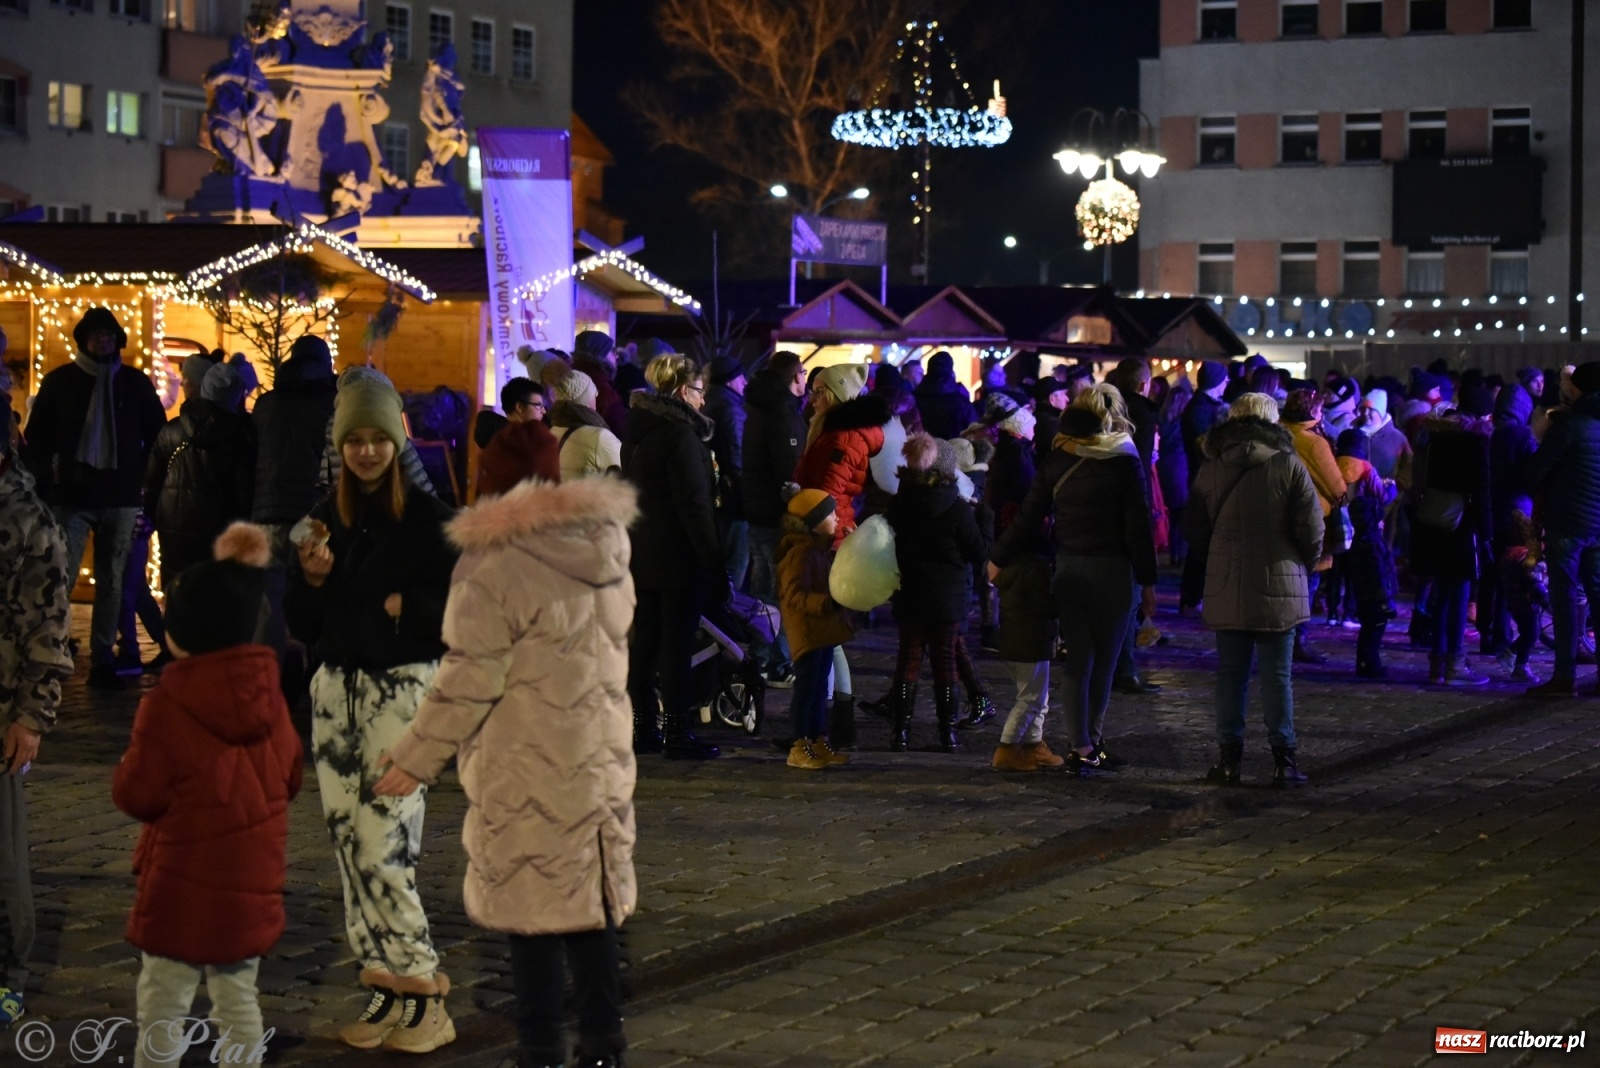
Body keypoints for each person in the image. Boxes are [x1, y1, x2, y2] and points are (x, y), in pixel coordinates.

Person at [374, 476, 640, 1068]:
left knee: (532, 913)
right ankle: (604, 1046)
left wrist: (416, 757)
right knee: (591, 909)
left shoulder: (495, 562)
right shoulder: (607, 549)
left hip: (527, 765)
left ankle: (541, 1049)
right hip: (597, 762)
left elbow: (469, 678)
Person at [285, 371, 460, 1052]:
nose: (364, 451)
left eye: (376, 438)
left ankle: (425, 990)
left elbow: (462, 613)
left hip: (401, 690)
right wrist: (314, 578)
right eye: (353, 439)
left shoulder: (430, 520)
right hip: (335, 691)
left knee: (386, 843)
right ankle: (384, 985)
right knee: (347, 843)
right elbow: (302, 620)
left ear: (397, 439)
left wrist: (408, 609)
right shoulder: (324, 517)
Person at [112, 523, 301, 1068]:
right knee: (238, 999)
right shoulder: (270, 699)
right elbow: (289, 780)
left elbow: (138, 792)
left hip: (182, 883)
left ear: (181, 632)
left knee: (164, 998)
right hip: (251, 881)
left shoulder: (169, 704)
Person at [989, 384, 1157, 775]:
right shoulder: (1124, 460)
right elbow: (1138, 528)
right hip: (1113, 571)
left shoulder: (1057, 459)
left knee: (1078, 662)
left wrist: (997, 557)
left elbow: (1029, 517)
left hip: (1068, 568)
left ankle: (1080, 744)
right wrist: (1148, 582)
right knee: (1105, 662)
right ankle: (1090, 744)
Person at [23, 307, 167, 690]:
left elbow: (158, 436)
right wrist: (49, 486)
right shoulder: (60, 383)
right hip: (73, 497)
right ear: (83, 339)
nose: (102, 341)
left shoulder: (135, 384)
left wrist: (146, 483)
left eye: (108, 335)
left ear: (118, 339)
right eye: (95, 335)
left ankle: (103, 655)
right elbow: (37, 440)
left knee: (113, 580)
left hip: (121, 496)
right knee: (61, 578)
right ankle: (51, 649)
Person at [1187, 393, 1322, 788]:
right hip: (1280, 580)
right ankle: (1284, 760)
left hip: (1227, 582)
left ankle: (1229, 760)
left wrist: (1219, 553)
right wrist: (1301, 566)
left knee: (1231, 676)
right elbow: (1312, 530)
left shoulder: (1212, 466)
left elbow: (1194, 530)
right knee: (1278, 677)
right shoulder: (1288, 464)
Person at [0, 428, 73, 1027]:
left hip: (1, 707)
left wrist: (31, 715)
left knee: (3, 856)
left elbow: (48, 626)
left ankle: (8, 975)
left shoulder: (30, 520)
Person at [622, 354, 724, 759]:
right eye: (700, 392)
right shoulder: (681, 436)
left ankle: (642, 726)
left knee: (645, 644)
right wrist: (713, 561)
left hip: (642, 550)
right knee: (676, 646)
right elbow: (693, 505)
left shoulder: (640, 429)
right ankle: (677, 733)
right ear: (684, 391)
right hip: (677, 555)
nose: (703, 401)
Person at [884, 434, 988, 753]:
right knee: (945, 662)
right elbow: (978, 552)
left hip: (910, 592)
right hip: (948, 599)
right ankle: (948, 733)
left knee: (908, 660)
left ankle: (900, 733)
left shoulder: (899, 504)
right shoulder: (957, 510)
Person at [251, 335, 338, 659]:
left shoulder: (267, 404)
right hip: (312, 514)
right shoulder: (331, 405)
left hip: (267, 513)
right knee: (318, 589)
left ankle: (266, 671)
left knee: (269, 599)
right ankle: (315, 666)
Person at [144, 359, 258, 584]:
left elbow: (151, 483)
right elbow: (245, 495)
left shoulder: (172, 431)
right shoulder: (243, 438)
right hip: (223, 536)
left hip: (174, 532)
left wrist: (150, 519)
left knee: (179, 601)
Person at [1524, 360, 1600, 696]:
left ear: (1578, 388)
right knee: (1597, 595)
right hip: (1598, 522)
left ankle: (1564, 676)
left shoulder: (1569, 424)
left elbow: (1537, 470)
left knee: (1565, 597)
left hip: (1568, 521)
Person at [1411, 392, 1494, 686]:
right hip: (1461, 523)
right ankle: (1455, 662)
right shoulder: (1476, 441)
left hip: (1433, 518)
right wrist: (1487, 532)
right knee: (1458, 592)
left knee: (1443, 593)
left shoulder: (1435, 437)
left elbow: (1417, 477)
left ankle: (1437, 661)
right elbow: (1481, 489)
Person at [775, 489, 855, 769]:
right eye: (829, 514)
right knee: (807, 690)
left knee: (821, 689)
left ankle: (817, 740)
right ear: (812, 521)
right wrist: (827, 603)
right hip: (808, 632)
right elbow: (796, 596)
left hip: (821, 631)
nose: (836, 517)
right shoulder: (800, 554)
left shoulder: (819, 549)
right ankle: (798, 746)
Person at [988, 478, 1061, 774]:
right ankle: (1007, 748)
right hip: (1030, 640)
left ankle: (1034, 745)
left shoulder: (1011, 566)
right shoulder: (1037, 568)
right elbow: (1045, 606)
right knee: (1030, 698)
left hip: (1015, 640)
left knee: (1037, 696)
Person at [743, 354, 808, 684]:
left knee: (762, 589)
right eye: (804, 372)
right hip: (776, 516)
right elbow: (789, 467)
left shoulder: (760, 405)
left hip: (756, 511)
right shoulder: (782, 412)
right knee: (778, 590)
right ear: (794, 376)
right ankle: (777, 661)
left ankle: (762, 657)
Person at [1280, 389, 1347, 665]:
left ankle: (1282, 638)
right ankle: (1298, 640)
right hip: (1311, 518)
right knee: (1308, 582)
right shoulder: (1313, 442)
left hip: (1281, 514)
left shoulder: (1278, 433)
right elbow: (1337, 487)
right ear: (1313, 412)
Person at [793, 364, 889, 546]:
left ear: (836, 395)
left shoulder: (844, 437)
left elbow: (828, 493)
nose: (812, 399)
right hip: (824, 525)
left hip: (829, 531)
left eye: (820, 392)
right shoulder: (829, 430)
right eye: (813, 391)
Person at [1336, 431, 1398, 678]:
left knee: (1341, 573)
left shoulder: (1334, 461)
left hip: (1341, 522)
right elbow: (1381, 496)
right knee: (1373, 627)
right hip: (1362, 523)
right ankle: (1369, 664)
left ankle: (1336, 613)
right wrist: (1390, 490)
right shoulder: (1364, 467)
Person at [1486, 382, 1539, 666]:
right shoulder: (1522, 435)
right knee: (1516, 578)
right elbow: (1532, 475)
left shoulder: (1487, 434)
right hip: (1518, 512)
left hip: (1490, 510)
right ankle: (1506, 636)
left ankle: (1491, 634)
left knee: (1493, 577)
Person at [1179, 361, 1232, 615]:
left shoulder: (1207, 406)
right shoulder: (1199, 409)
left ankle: (1194, 595)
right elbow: (1205, 446)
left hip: (1208, 479)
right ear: (1216, 381)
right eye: (1225, 379)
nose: (1228, 383)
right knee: (1202, 542)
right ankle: (1191, 596)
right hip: (1205, 481)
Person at [704, 354, 750, 588]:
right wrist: (745, 496)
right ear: (730, 380)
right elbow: (736, 455)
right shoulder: (731, 409)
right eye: (741, 377)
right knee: (735, 563)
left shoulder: (709, 402)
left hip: (715, 493)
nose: (745, 383)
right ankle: (730, 615)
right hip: (732, 498)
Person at [476, 381, 560, 498]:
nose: (544, 411)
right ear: (519, 407)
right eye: (539, 405)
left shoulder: (497, 439)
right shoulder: (523, 446)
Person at [548, 367, 622, 480]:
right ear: (586, 400)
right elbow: (628, 476)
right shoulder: (599, 437)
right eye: (595, 394)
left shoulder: (550, 433)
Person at [573, 330, 631, 440]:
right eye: (612, 351)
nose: (616, 356)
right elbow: (618, 430)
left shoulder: (569, 379)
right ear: (600, 353)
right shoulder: (603, 389)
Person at [913, 351, 976, 439]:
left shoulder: (914, 398)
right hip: (955, 449)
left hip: (922, 449)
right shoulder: (961, 402)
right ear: (951, 370)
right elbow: (973, 430)